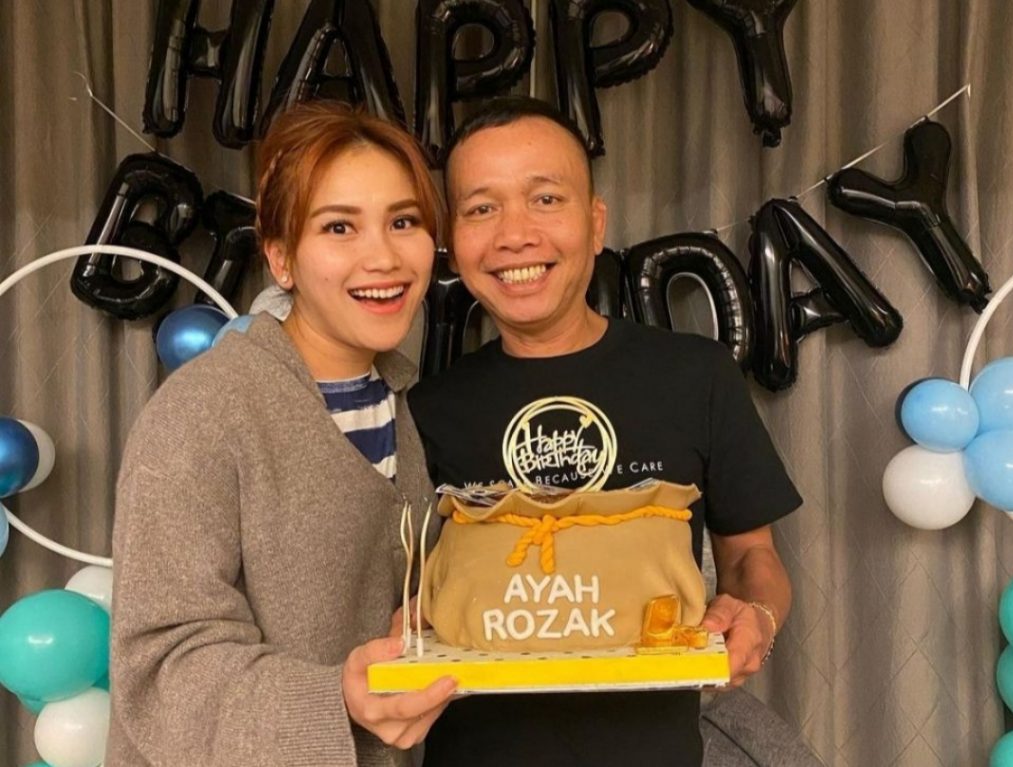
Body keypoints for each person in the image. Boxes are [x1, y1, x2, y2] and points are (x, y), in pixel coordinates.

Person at [407, 96, 803, 767]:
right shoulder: (426, 407)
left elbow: (749, 557)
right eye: (481, 208)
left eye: (545, 199)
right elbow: (410, 591)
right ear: (452, 239)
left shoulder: (695, 375)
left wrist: (755, 614)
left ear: (595, 224)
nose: (514, 235)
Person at [107, 102, 457, 767]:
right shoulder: (203, 411)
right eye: (339, 226)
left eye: (404, 221)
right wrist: (336, 699)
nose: (383, 256)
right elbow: (160, 665)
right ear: (281, 258)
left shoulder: (403, 404)